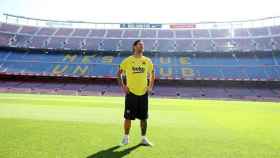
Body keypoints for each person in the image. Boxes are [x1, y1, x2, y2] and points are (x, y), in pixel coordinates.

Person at [117, 40, 155, 146]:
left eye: (143, 45)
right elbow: (118, 74)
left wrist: (150, 86)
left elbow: (152, 74)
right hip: (131, 93)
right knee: (128, 117)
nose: (142, 46)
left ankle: (143, 138)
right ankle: (126, 138)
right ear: (134, 47)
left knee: (144, 118)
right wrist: (123, 86)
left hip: (143, 93)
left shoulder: (147, 61)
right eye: (140, 45)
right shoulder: (128, 60)